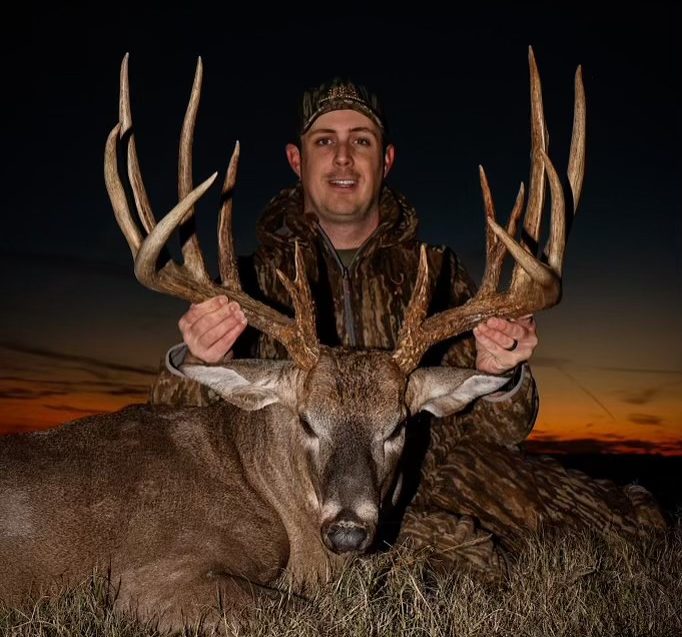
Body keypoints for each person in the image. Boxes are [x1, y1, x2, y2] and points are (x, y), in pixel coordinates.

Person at [152, 78, 665, 575]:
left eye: (362, 141)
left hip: (436, 477)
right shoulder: (246, 286)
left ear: (386, 159)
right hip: (297, 493)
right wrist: (198, 360)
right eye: (325, 140)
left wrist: (500, 371)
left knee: (625, 529)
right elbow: (170, 432)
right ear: (296, 158)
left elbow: (501, 433)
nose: (344, 157)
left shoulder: (438, 276)